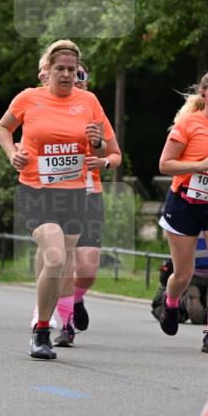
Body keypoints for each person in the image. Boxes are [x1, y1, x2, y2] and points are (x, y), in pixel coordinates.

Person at [0, 39, 108, 359]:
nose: (67, 75)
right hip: (36, 191)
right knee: (56, 258)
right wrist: (12, 153)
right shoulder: (28, 98)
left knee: (61, 264)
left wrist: (98, 143)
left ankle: (49, 319)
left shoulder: (89, 101)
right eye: (60, 68)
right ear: (48, 69)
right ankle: (41, 330)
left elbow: (101, 148)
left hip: (74, 194)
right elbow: (3, 128)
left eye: (72, 70)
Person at [40, 58, 122, 345]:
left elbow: (115, 154)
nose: (76, 80)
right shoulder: (47, 110)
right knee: (63, 259)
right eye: (72, 74)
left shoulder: (93, 110)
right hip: (59, 196)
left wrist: (104, 161)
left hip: (90, 194)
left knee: (86, 270)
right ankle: (66, 325)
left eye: (80, 75)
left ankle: (75, 299)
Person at [157, 71, 208, 352]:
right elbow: (165, 165)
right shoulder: (189, 123)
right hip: (185, 202)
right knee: (183, 275)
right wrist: (199, 166)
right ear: (204, 93)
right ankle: (171, 302)